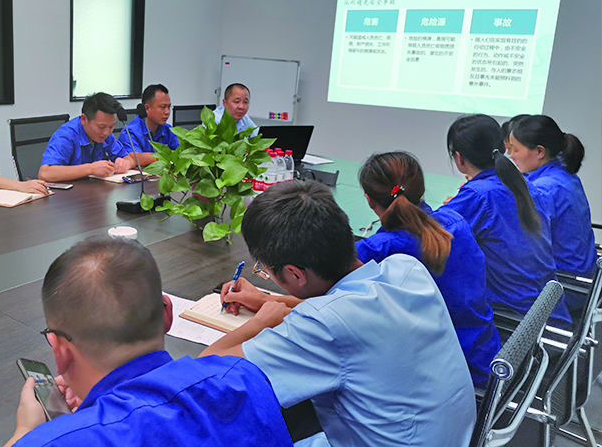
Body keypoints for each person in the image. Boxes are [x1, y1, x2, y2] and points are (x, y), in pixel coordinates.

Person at [201, 181, 476, 447]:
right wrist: (267, 299)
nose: (266, 275)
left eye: (265, 269)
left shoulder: (323, 326)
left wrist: (261, 322)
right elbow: (349, 306)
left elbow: (204, 370)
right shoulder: (406, 269)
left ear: (294, 273)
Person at [3, 236, 293, 447]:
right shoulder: (245, 377)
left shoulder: (55, 441)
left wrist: (24, 433)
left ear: (60, 352)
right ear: (168, 314)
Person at [356, 151, 500, 386]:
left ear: (369, 200)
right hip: (485, 355)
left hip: (449, 375)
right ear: (421, 189)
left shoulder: (378, 250)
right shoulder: (455, 222)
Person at [439, 114, 571, 326]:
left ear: (459, 158)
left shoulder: (478, 195)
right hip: (551, 314)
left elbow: (425, 234)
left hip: (516, 324)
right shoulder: (526, 186)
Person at [509, 115, 597, 278]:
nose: (511, 155)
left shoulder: (543, 189)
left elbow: (525, 248)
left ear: (539, 151)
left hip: (562, 281)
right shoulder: (563, 174)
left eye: (515, 149)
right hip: (582, 274)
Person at [39, 92, 149, 181]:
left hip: (94, 192)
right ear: (84, 119)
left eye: (111, 126)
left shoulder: (106, 135)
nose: (106, 132)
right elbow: (45, 173)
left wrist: (125, 163)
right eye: (101, 127)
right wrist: (90, 169)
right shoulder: (66, 136)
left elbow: (130, 158)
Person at [117, 84, 179, 166]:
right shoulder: (129, 132)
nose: (167, 112)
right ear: (147, 108)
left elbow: (180, 155)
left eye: (169, 107)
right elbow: (135, 158)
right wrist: (164, 158)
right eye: (163, 107)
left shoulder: (168, 130)